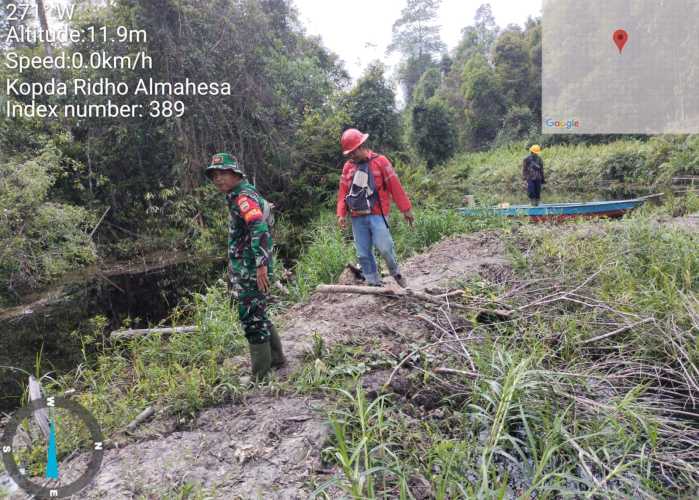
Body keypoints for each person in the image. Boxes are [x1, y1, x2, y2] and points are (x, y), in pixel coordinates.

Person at [205, 152, 284, 380]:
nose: (218, 179)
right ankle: (276, 359)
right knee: (259, 312)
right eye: (214, 175)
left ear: (235, 173)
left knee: (251, 316)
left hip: (252, 269)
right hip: (248, 266)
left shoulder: (243, 197)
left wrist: (261, 266)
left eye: (223, 174)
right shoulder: (238, 194)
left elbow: (258, 227)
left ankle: (260, 375)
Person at [336, 128, 414, 288]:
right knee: (363, 253)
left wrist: (406, 209)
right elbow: (343, 192)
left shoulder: (381, 161)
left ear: (361, 145)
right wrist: (341, 214)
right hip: (357, 216)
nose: (351, 155)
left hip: (378, 214)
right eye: (348, 153)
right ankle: (373, 283)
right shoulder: (348, 168)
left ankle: (396, 273)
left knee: (385, 248)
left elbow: (395, 186)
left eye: (353, 152)